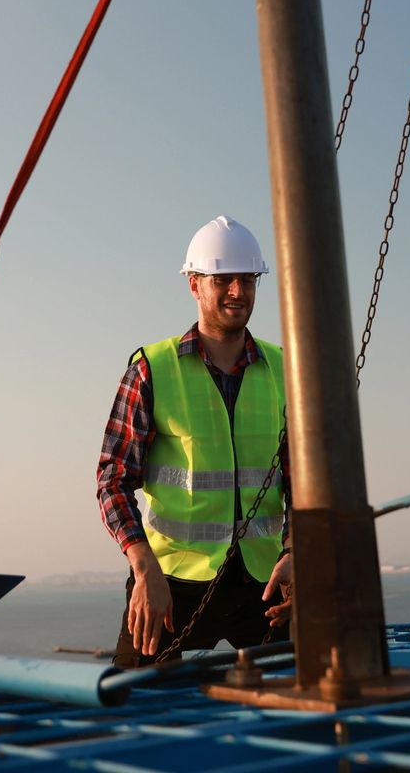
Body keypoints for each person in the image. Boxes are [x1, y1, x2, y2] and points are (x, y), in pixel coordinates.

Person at [97, 216, 292, 667]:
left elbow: (305, 479)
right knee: (137, 705)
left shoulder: (284, 368)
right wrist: (143, 566)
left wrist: (296, 553)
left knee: (308, 699)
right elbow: (113, 479)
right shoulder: (153, 368)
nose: (238, 292)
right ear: (194, 284)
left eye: (247, 279)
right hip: (170, 580)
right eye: (223, 280)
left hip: (265, 580)